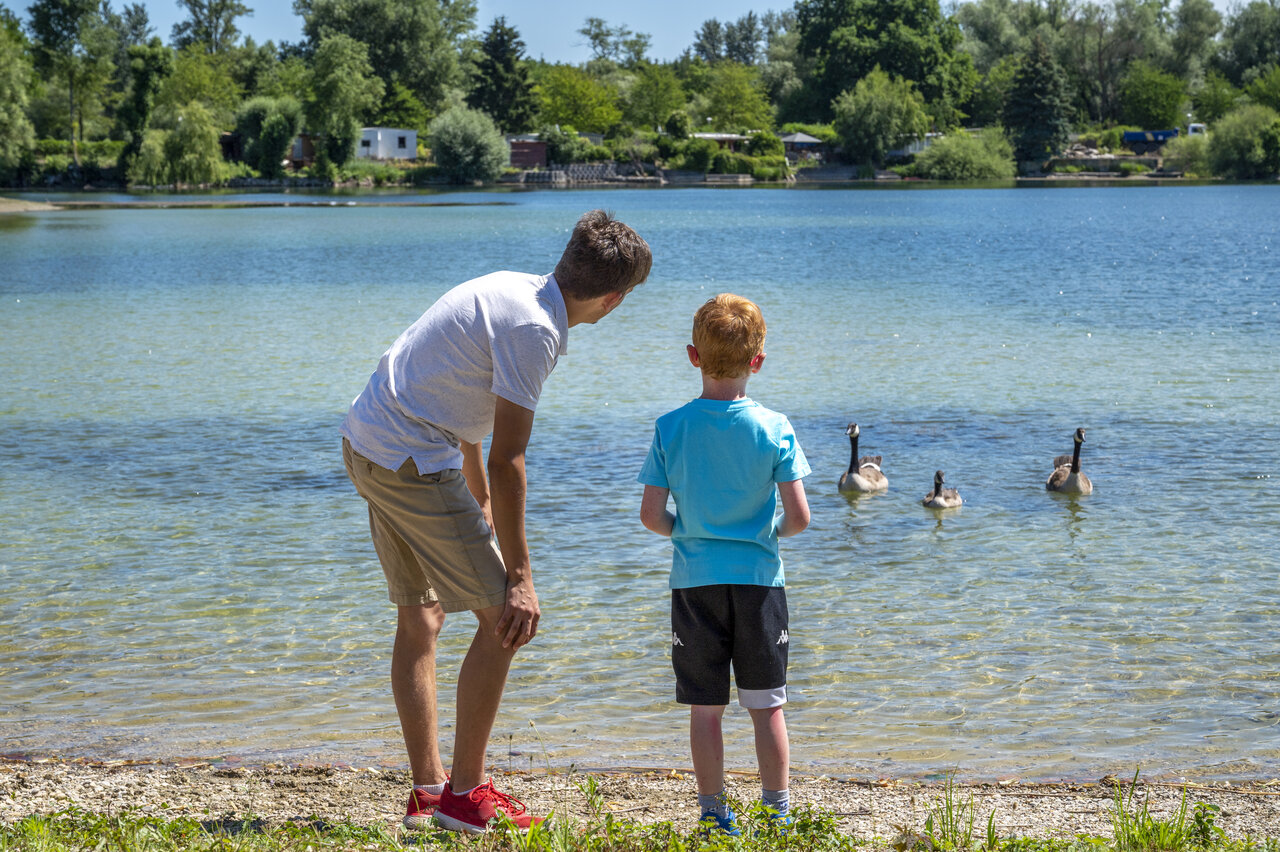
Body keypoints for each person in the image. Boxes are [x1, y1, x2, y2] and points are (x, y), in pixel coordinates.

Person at [341, 210, 652, 834]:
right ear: (614, 300)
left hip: (368, 440)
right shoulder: (536, 332)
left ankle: (429, 792)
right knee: (508, 622)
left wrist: (476, 499)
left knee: (422, 616)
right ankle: (465, 796)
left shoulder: (511, 287)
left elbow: (458, 405)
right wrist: (520, 574)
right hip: (409, 460)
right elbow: (512, 459)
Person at [637, 293, 811, 835]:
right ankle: (775, 812)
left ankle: (713, 813)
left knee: (705, 708)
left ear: (694, 355)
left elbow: (650, 515)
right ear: (757, 361)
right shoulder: (774, 426)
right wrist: (764, 537)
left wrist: (689, 533)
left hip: (695, 584)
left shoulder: (672, 427)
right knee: (768, 706)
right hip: (760, 582)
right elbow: (799, 518)